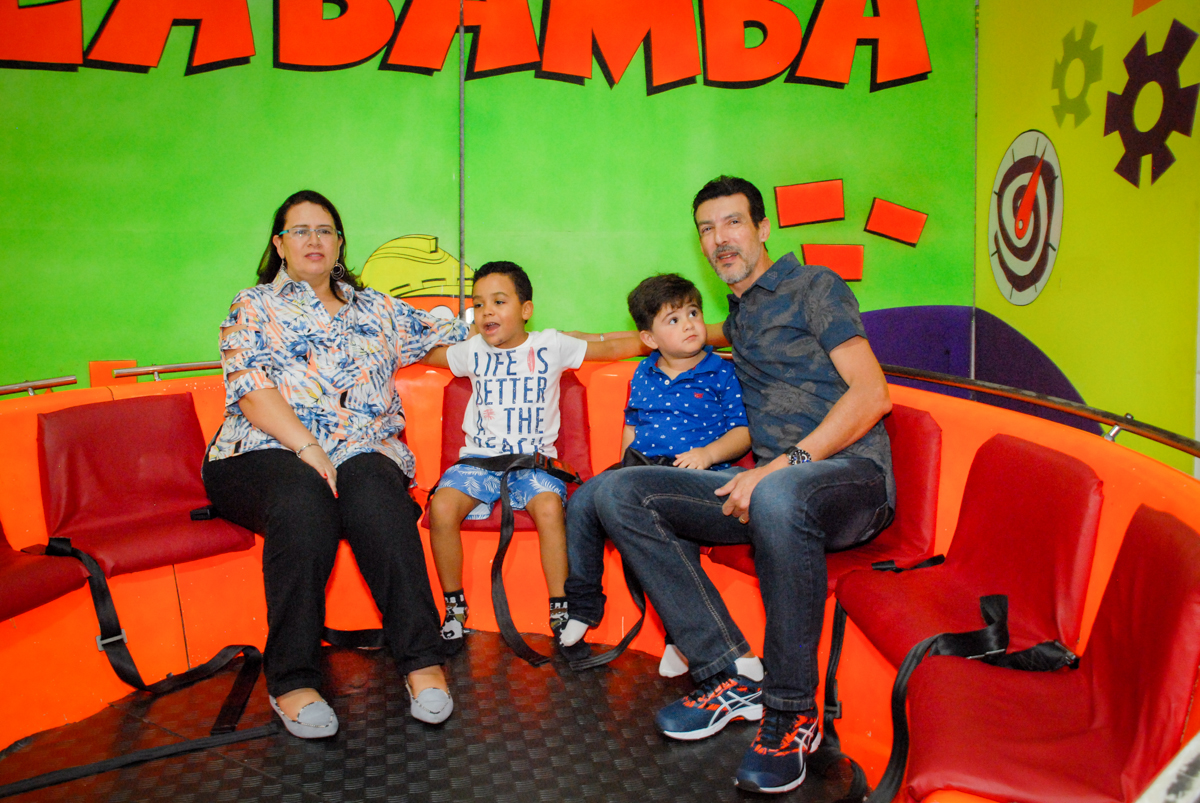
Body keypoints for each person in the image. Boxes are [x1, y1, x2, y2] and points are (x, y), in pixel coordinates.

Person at [594, 176, 894, 793]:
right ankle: (727, 672)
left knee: (780, 495)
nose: (719, 238)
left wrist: (784, 464)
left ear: (761, 229)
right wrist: (552, 344)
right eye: (707, 228)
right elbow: (650, 336)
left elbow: (873, 394)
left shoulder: (815, 287)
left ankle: (791, 712)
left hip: (851, 481)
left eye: (732, 223)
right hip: (772, 486)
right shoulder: (740, 311)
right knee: (618, 491)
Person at [202, 190, 467, 739]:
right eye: (299, 231)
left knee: (375, 495)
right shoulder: (253, 305)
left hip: (364, 447)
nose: (313, 240)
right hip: (261, 450)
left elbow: (463, 337)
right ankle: (292, 680)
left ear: (340, 242)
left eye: (324, 229)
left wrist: (566, 346)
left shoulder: (379, 309)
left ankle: (421, 662)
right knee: (304, 502)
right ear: (279, 245)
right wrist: (309, 448)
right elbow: (251, 390)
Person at [421, 261, 643, 656]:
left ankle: (560, 607)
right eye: (479, 304)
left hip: (532, 463)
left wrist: (668, 338)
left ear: (526, 309)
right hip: (479, 464)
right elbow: (428, 355)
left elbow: (609, 346)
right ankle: (454, 606)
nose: (487, 311)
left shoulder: (550, 345)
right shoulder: (472, 351)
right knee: (440, 508)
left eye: (499, 301)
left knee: (548, 508)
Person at [557, 273, 756, 677]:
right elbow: (631, 425)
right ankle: (583, 605)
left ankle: (679, 639)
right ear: (649, 339)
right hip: (639, 466)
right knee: (581, 502)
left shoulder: (721, 371)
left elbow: (743, 431)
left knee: (670, 529)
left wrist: (708, 454)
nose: (689, 324)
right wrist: (617, 468)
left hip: (691, 472)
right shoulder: (644, 373)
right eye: (673, 319)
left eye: (694, 313)